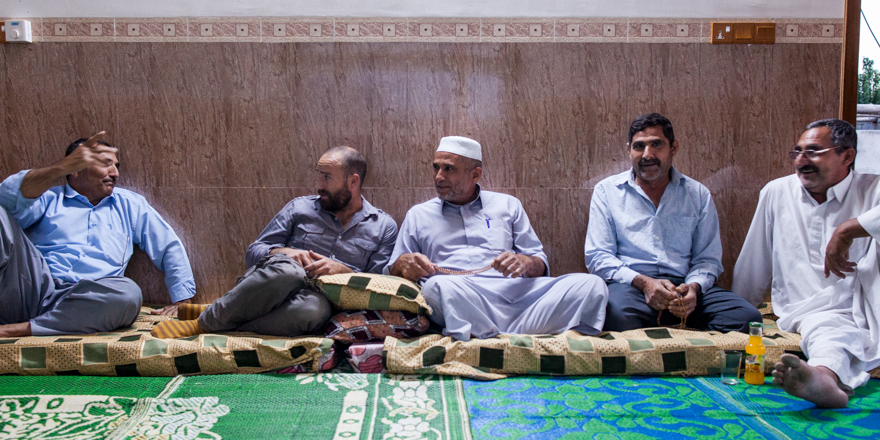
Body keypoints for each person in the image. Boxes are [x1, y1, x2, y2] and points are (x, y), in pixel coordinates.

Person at [733, 119, 880, 408]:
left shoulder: (879, 187)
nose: (802, 160)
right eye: (798, 152)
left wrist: (849, 229)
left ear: (847, 155)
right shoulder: (777, 192)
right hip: (819, 310)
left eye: (814, 151)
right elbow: (755, 258)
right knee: (829, 336)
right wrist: (740, 312)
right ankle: (824, 379)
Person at [0, 133, 195, 357]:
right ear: (75, 170)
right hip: (30, 289)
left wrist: (182, 299)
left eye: (116, 166)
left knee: (128, 294)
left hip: (82, 301)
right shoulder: (47, 199)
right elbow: (3, 197)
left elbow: (167, 244)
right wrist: (60, 168)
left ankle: (2, 331)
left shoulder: (129, 204)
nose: (114, 173)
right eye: (105, 164)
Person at [150, 146, 397, 339]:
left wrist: (344, 271)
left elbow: (379, 285)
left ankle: (218, 315)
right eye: (319, 176)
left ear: (353, 182)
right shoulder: (299, 208)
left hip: (313, 301)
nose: (319, 186)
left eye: (327, 178)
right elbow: (253, 252)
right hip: (272, 284)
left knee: (315, 312)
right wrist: (285, 251)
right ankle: (204, 324)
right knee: (288, 271)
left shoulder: (383, 226)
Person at [389, 136, 608, 341]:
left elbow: (539, 264)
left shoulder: (507, 205)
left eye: (449, 169)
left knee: (590, 284)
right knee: (436, 287)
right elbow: (393, 272)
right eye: (436, 167)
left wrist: (525, 262)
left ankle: (490, 336)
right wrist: (403, 264)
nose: (439, 177)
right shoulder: (418, 214)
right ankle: (522, 334)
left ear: (475, 174)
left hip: (518, 297)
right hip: (461, 297)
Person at [585, 113, 761, 332]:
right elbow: (598, 256)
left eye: (656, 144)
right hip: (631, 286)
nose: (647, 154)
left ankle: (685, 342)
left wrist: (694, 288)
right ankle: (667, 327)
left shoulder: (697, 194)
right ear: (629, 149)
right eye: (639, 146)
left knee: (745, 317)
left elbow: (708, 259)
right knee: (616, 315)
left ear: (673, 147)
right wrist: (644, 283)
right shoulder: (607, 191)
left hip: (683, 287)